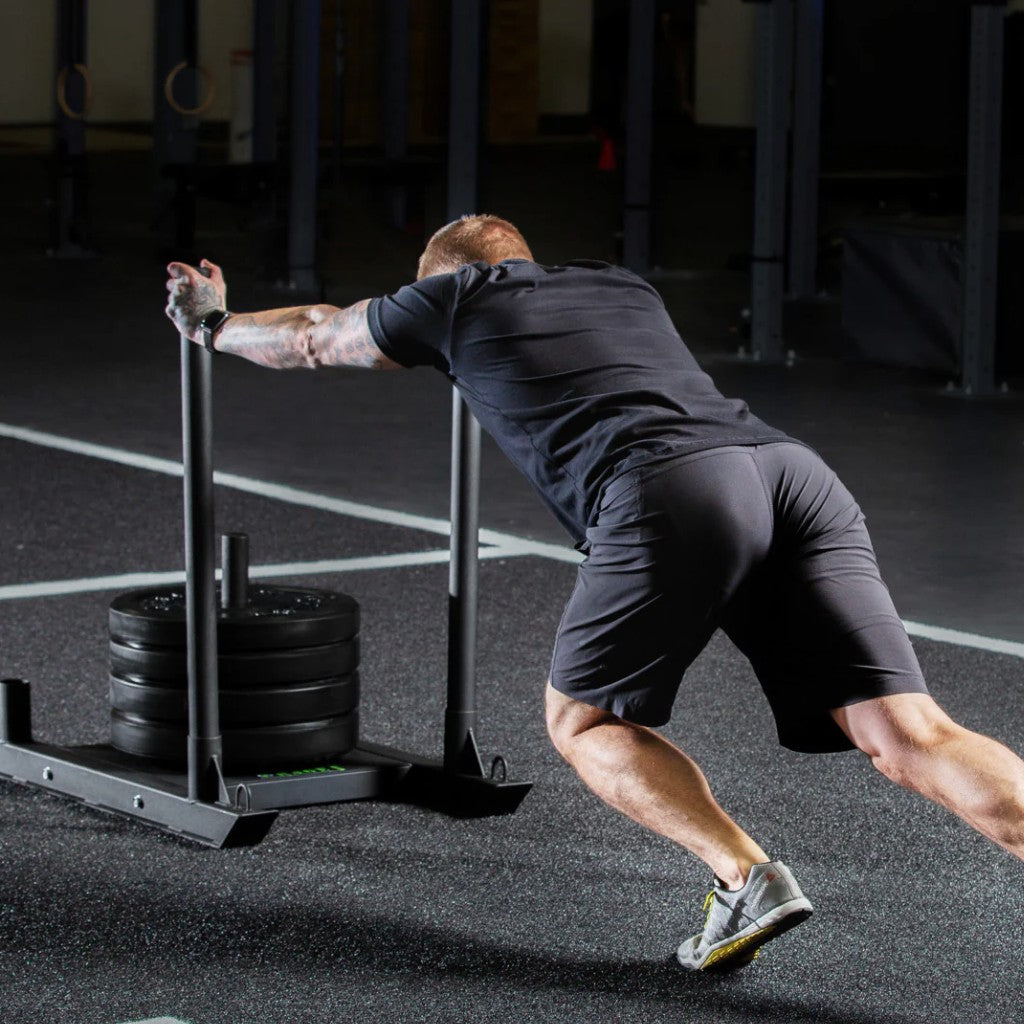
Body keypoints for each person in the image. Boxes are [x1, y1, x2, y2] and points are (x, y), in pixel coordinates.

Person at [165, 214, 1024, 972]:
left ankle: (745, 878)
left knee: (584, 722)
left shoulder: (450, 297)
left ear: (438, 279)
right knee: (912, 734)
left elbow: (315, 334)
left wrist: (215, 325)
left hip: (671, 490)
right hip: (791, 474)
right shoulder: (621, 285)